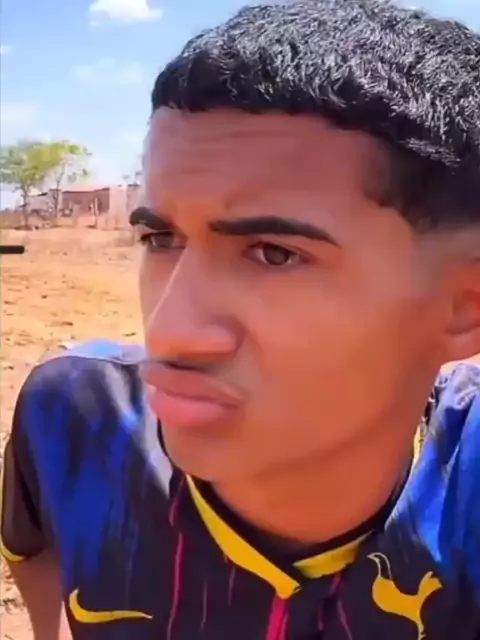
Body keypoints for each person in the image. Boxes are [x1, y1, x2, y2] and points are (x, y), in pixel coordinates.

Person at [2, 0, 480, 637]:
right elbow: (36, 550)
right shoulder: (77, 415)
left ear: (464, 306)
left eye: (274, 254)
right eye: (161, 239)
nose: (167, 332)